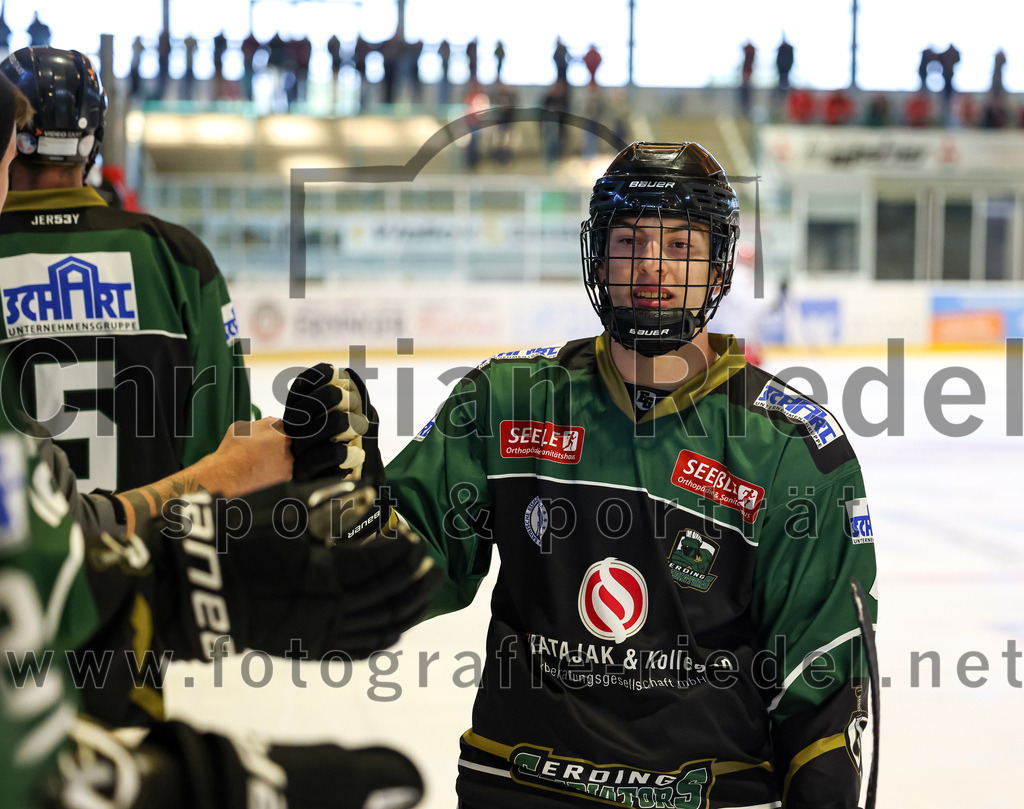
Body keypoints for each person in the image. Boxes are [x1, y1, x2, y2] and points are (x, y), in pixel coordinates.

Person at [374, 142, 878, 808]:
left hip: (705, 794)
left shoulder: (791, 449)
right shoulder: (506, 403)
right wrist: (336, 491)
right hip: (520, 784)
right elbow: (391, 565)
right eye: (630, 240)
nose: (651, 267)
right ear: (597, 257)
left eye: (680, 245)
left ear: (720, 266)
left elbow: (820, 689)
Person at [0, 70, 439, 809]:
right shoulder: (176, 257)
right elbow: (231, 455)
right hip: (123, 647)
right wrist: (304, 456)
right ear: (92, 139)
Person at [0, 47, 255, 505]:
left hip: (28, 569)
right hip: (158, 563)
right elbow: (227, 445)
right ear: (94, 139)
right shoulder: (178, 258)